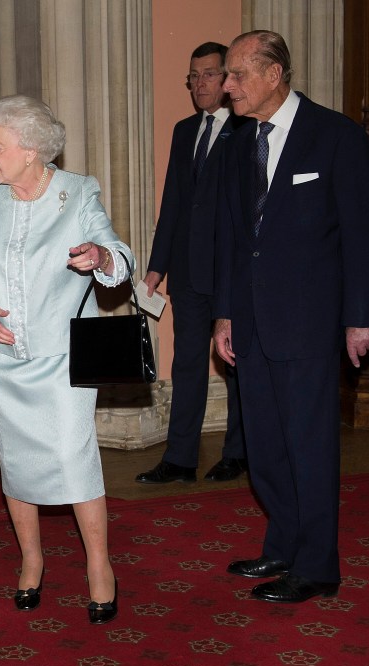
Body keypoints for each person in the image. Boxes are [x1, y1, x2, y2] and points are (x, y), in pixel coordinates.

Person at [213, 31, 369, 603]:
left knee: (309, 444)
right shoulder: (240, 143)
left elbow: (365, 232)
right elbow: (236, 242)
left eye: (237, 74)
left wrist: (362, 317)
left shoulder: (335, 137)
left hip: (312, 320)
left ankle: (317, 566)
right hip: (253, 320)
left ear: (274, 74)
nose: (227, 85)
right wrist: (224, 316)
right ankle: (284, 543)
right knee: (264, 444)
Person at [0, 95, 133, 625]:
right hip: (5, 356)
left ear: (30, 150)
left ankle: (100, 566)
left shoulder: (76, 192)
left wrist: (100, 257)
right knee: (17, 462)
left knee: (73, 457)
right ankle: (31, 560)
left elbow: (119, 259)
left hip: (62, 357)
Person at [136, 42, 249, 486]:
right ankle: (180, 458)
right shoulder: (185, 131)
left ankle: (238, 453)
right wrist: (154, 270)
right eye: (193, 77)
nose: (200, 84)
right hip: (187, 273)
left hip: (230, 273)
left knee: (235, 364)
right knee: (186, 365)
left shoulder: (245, 130)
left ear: (227, 79)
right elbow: (174, 206)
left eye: (209, 75)